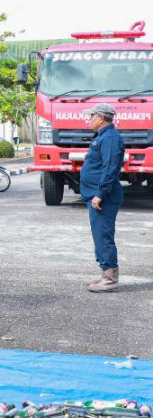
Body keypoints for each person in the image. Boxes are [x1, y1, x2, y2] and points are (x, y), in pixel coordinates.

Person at [81, 103, 125, 293]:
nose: (89, 119)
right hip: (97, 195)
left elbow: (110, 169)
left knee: (104, 236)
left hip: (103, 197)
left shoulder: (110, 138)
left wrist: (100, 194)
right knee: (100, 236)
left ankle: (110, 279)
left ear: (101, 117)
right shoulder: (103, 136)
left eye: (91, 116)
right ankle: (105, 274)